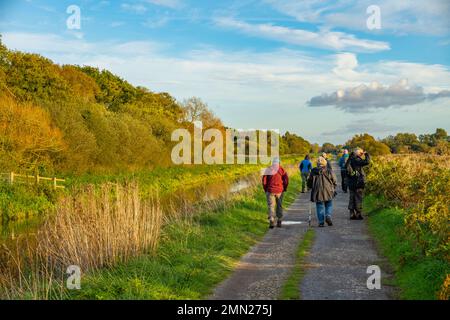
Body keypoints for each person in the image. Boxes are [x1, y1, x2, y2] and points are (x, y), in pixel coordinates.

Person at [307, 156, 337, 227]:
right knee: (329, 203)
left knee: (319, 206)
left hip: (317, 191)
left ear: (317, 163)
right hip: (328, 190)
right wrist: (333, 187)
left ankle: (321, 222)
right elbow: (334, 180)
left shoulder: (313, 171)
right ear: (325, 163)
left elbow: (309, 182)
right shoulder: (329, 171)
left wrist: (309, 187)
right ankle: (328, 216)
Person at [262, 158, 289, 229]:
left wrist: (265, 189)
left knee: (271, 206)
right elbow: (286, 180)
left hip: (270, 190)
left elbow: (264, 181)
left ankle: (271, 219)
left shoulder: (268, 169)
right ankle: (279, 220)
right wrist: (285, 188)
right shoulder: (282, 169)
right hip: (280, 190)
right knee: (279, 205)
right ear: (279, 163)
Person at [346, 148, 370, 220]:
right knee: (358, 198)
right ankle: (358, 214)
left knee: (352, 197)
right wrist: (366, 154)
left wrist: (359, 154)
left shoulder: (350, 159)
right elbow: (367, 162)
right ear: (358, 153)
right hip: (358, 182)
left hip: (351, 182)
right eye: (360, 153)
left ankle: (351, 213)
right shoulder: (357, 160)